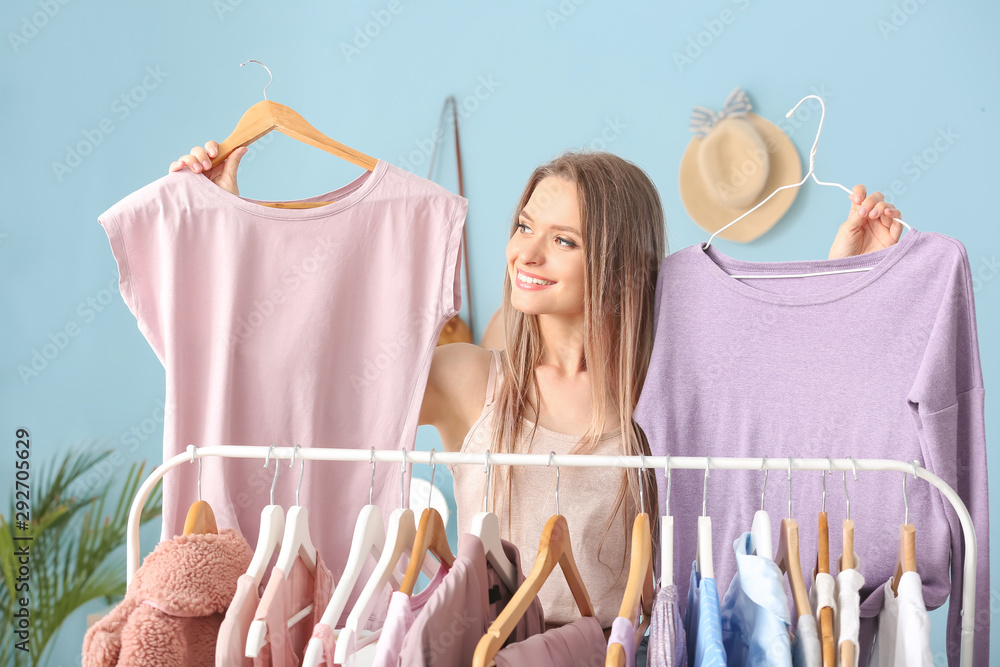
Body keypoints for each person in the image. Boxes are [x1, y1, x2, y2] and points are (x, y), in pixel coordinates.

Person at [168, 142, 903, 647]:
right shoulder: (471, 381)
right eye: (524, 226)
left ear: (616, 259)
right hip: (487, 650)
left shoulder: (661, 392)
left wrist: (847, 275)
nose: (525, 251)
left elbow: (792, 404)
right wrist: (227, 221)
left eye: (563, 239)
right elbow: (302, 369)